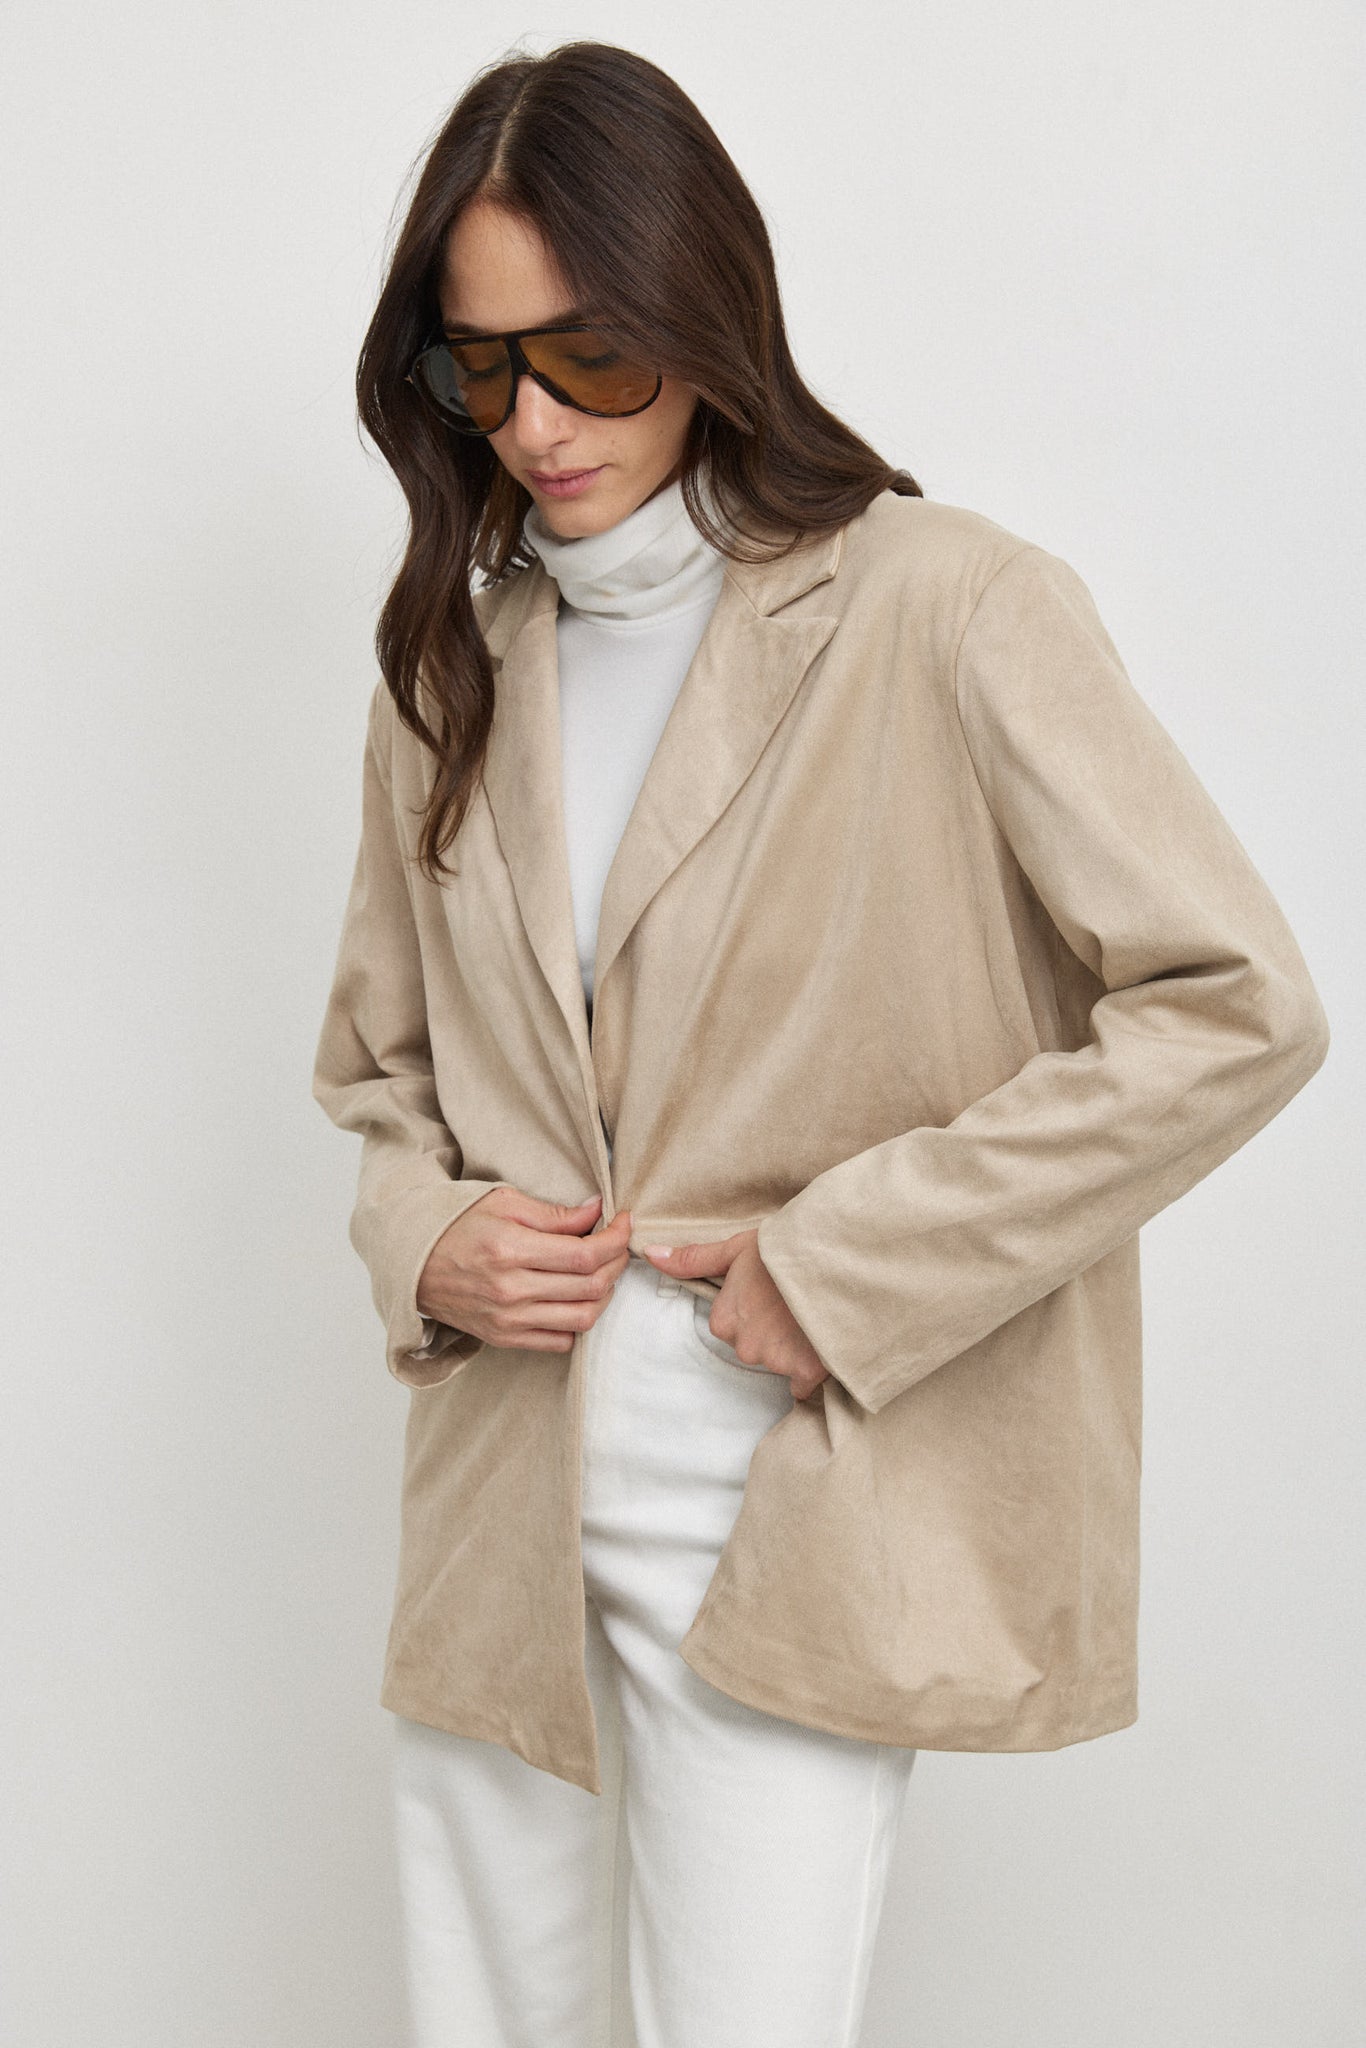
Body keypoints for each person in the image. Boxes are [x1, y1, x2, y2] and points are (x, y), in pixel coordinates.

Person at [311, 38, 1330, 2048]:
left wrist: (847, 1262)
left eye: (587, 354)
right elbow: (377, 1074)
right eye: (476, 368)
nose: (532, 422)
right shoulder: (450, 668)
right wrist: (424, 1238)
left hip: (787, 1473)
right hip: (499, 1481)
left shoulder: (945, 607)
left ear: (704, 315)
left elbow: (1233, 1004)